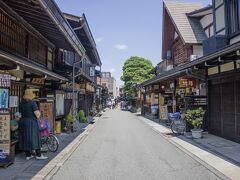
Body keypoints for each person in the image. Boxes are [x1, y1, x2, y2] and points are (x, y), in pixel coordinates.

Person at [18, 89, 48, 160]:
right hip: (31, 122)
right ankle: (39, 155)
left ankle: (28, 155)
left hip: (23, 122)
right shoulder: (32, 103)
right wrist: (39, 113)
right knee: (35, 138)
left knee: (25, 138)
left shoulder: (21, 103)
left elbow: (20, 113)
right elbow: (37, 115)